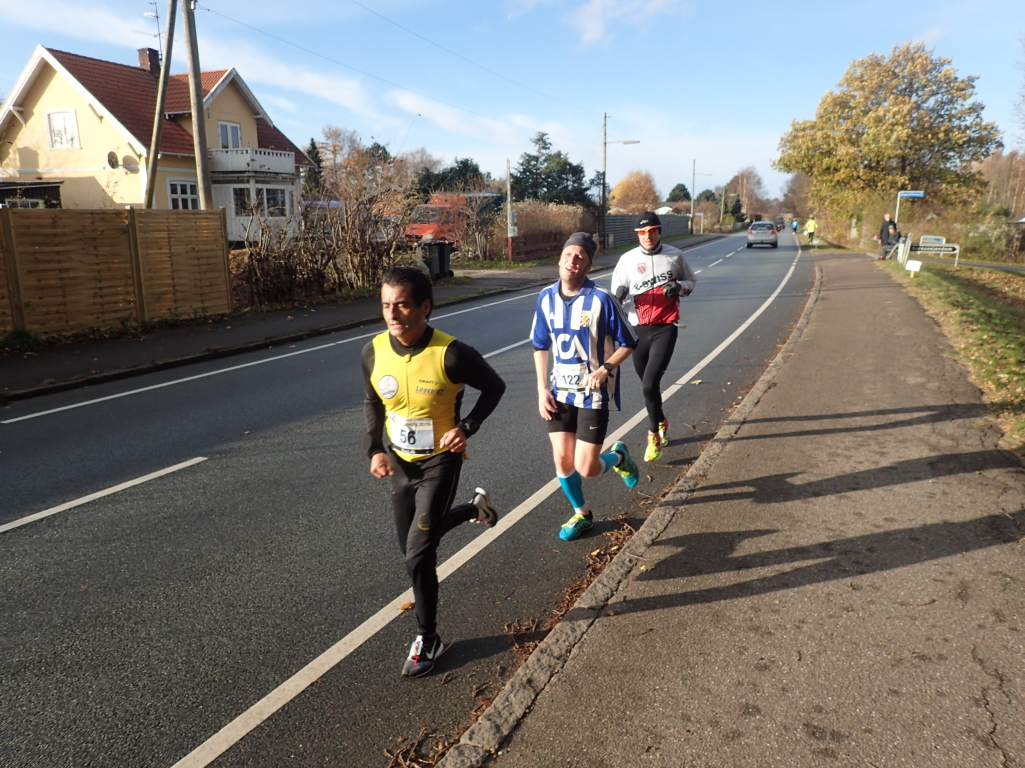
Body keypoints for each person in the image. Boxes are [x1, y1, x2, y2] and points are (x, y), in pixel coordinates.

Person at [362, 265, 506, 677]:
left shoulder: (453, 353)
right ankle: (475, 510)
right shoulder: (373, 351)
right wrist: (375, 449)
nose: (393, 314)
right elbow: (372, 402)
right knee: (411, 548)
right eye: (387, 305)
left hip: (440, 462)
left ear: (425, 307)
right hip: (402, 465)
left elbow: (494, 387)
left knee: (417, 556)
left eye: (403, 305)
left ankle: (429, 638)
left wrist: (466, 428)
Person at [531, 232, 639, 542]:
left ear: (588, 267)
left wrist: (606, 368)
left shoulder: (602, 299)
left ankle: (619, 457)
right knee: (562, 460)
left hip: (593, 394)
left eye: (580, 257)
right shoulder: (545, 298)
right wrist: (542, 390)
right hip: (559, 392)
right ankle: (583, 513)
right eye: (568, 255)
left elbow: (629, 341)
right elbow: (540, 346)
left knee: (587, 467)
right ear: (560, 260)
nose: (572, 260)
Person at [610, 211, 697, 462]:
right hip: (637, 330)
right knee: (649, 387)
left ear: (659, 231)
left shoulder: (675, 255)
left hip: (665, 327)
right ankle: (661, 421)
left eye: (652, 231)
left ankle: (653, 437)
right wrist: (620, 294)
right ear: (637, 235)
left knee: (649, 384)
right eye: (642, 232)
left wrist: (679, 288)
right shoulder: (627, 260)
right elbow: (615, 297)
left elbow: (691, 280)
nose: (647, 236)